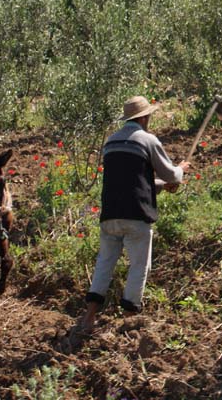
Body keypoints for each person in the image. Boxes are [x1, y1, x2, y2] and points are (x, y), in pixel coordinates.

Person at [76, 95, 190, 333]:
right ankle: (129, 318)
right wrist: (180, 170)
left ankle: (89, 317)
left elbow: (132, 180)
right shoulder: (147, 140)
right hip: (136, 215)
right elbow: (172, 175)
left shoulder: (110, 142)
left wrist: (158, 184)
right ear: (145, 117)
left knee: (104, 264)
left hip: (110, 215)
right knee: (139, 266)